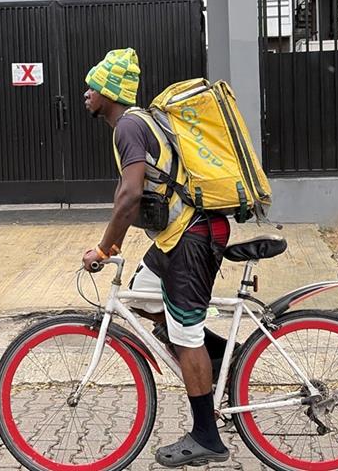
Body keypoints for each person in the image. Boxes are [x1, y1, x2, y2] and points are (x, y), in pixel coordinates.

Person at [81, 47, 232, 467]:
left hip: (191, 237)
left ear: (108, 92)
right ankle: (221, 359)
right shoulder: (140, 122)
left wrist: (106, 248)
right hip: (173, 239)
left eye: (92, 85)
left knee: (186, 335)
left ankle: (207, 437)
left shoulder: (128, 126)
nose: (86, 93)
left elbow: (129, 195)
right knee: (144, 299)